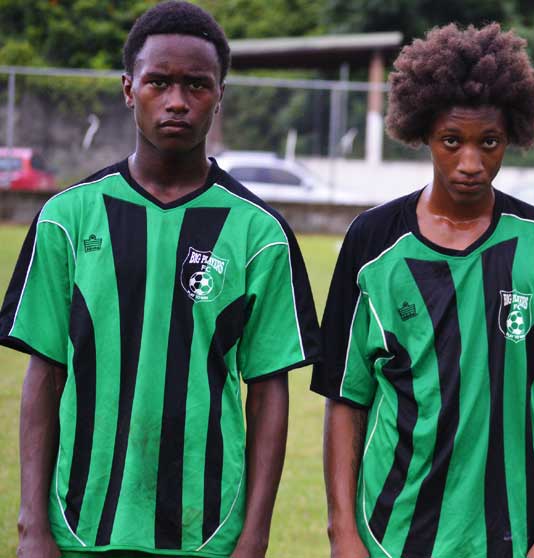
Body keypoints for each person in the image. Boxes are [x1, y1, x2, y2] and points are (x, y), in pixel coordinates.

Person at [0, 2, 321, 557]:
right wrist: (32, 524)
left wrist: (254, 536)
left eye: (197, 85)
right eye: (159, 82)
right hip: (80, 523)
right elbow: (45, 373)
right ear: (129, 89)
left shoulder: (259, 233)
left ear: (220, 95)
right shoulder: (67, 218)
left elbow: (268, 391)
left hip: (206, 529)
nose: (177, 100)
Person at [310, 22, 534, 558]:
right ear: (423, 133)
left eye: (488, 142)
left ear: (511, 136)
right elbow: (345, 395)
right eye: (452, 141)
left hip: (512, 531)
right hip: (390, 531)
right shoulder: (373, 241)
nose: (470, 163)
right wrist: (343, 531)